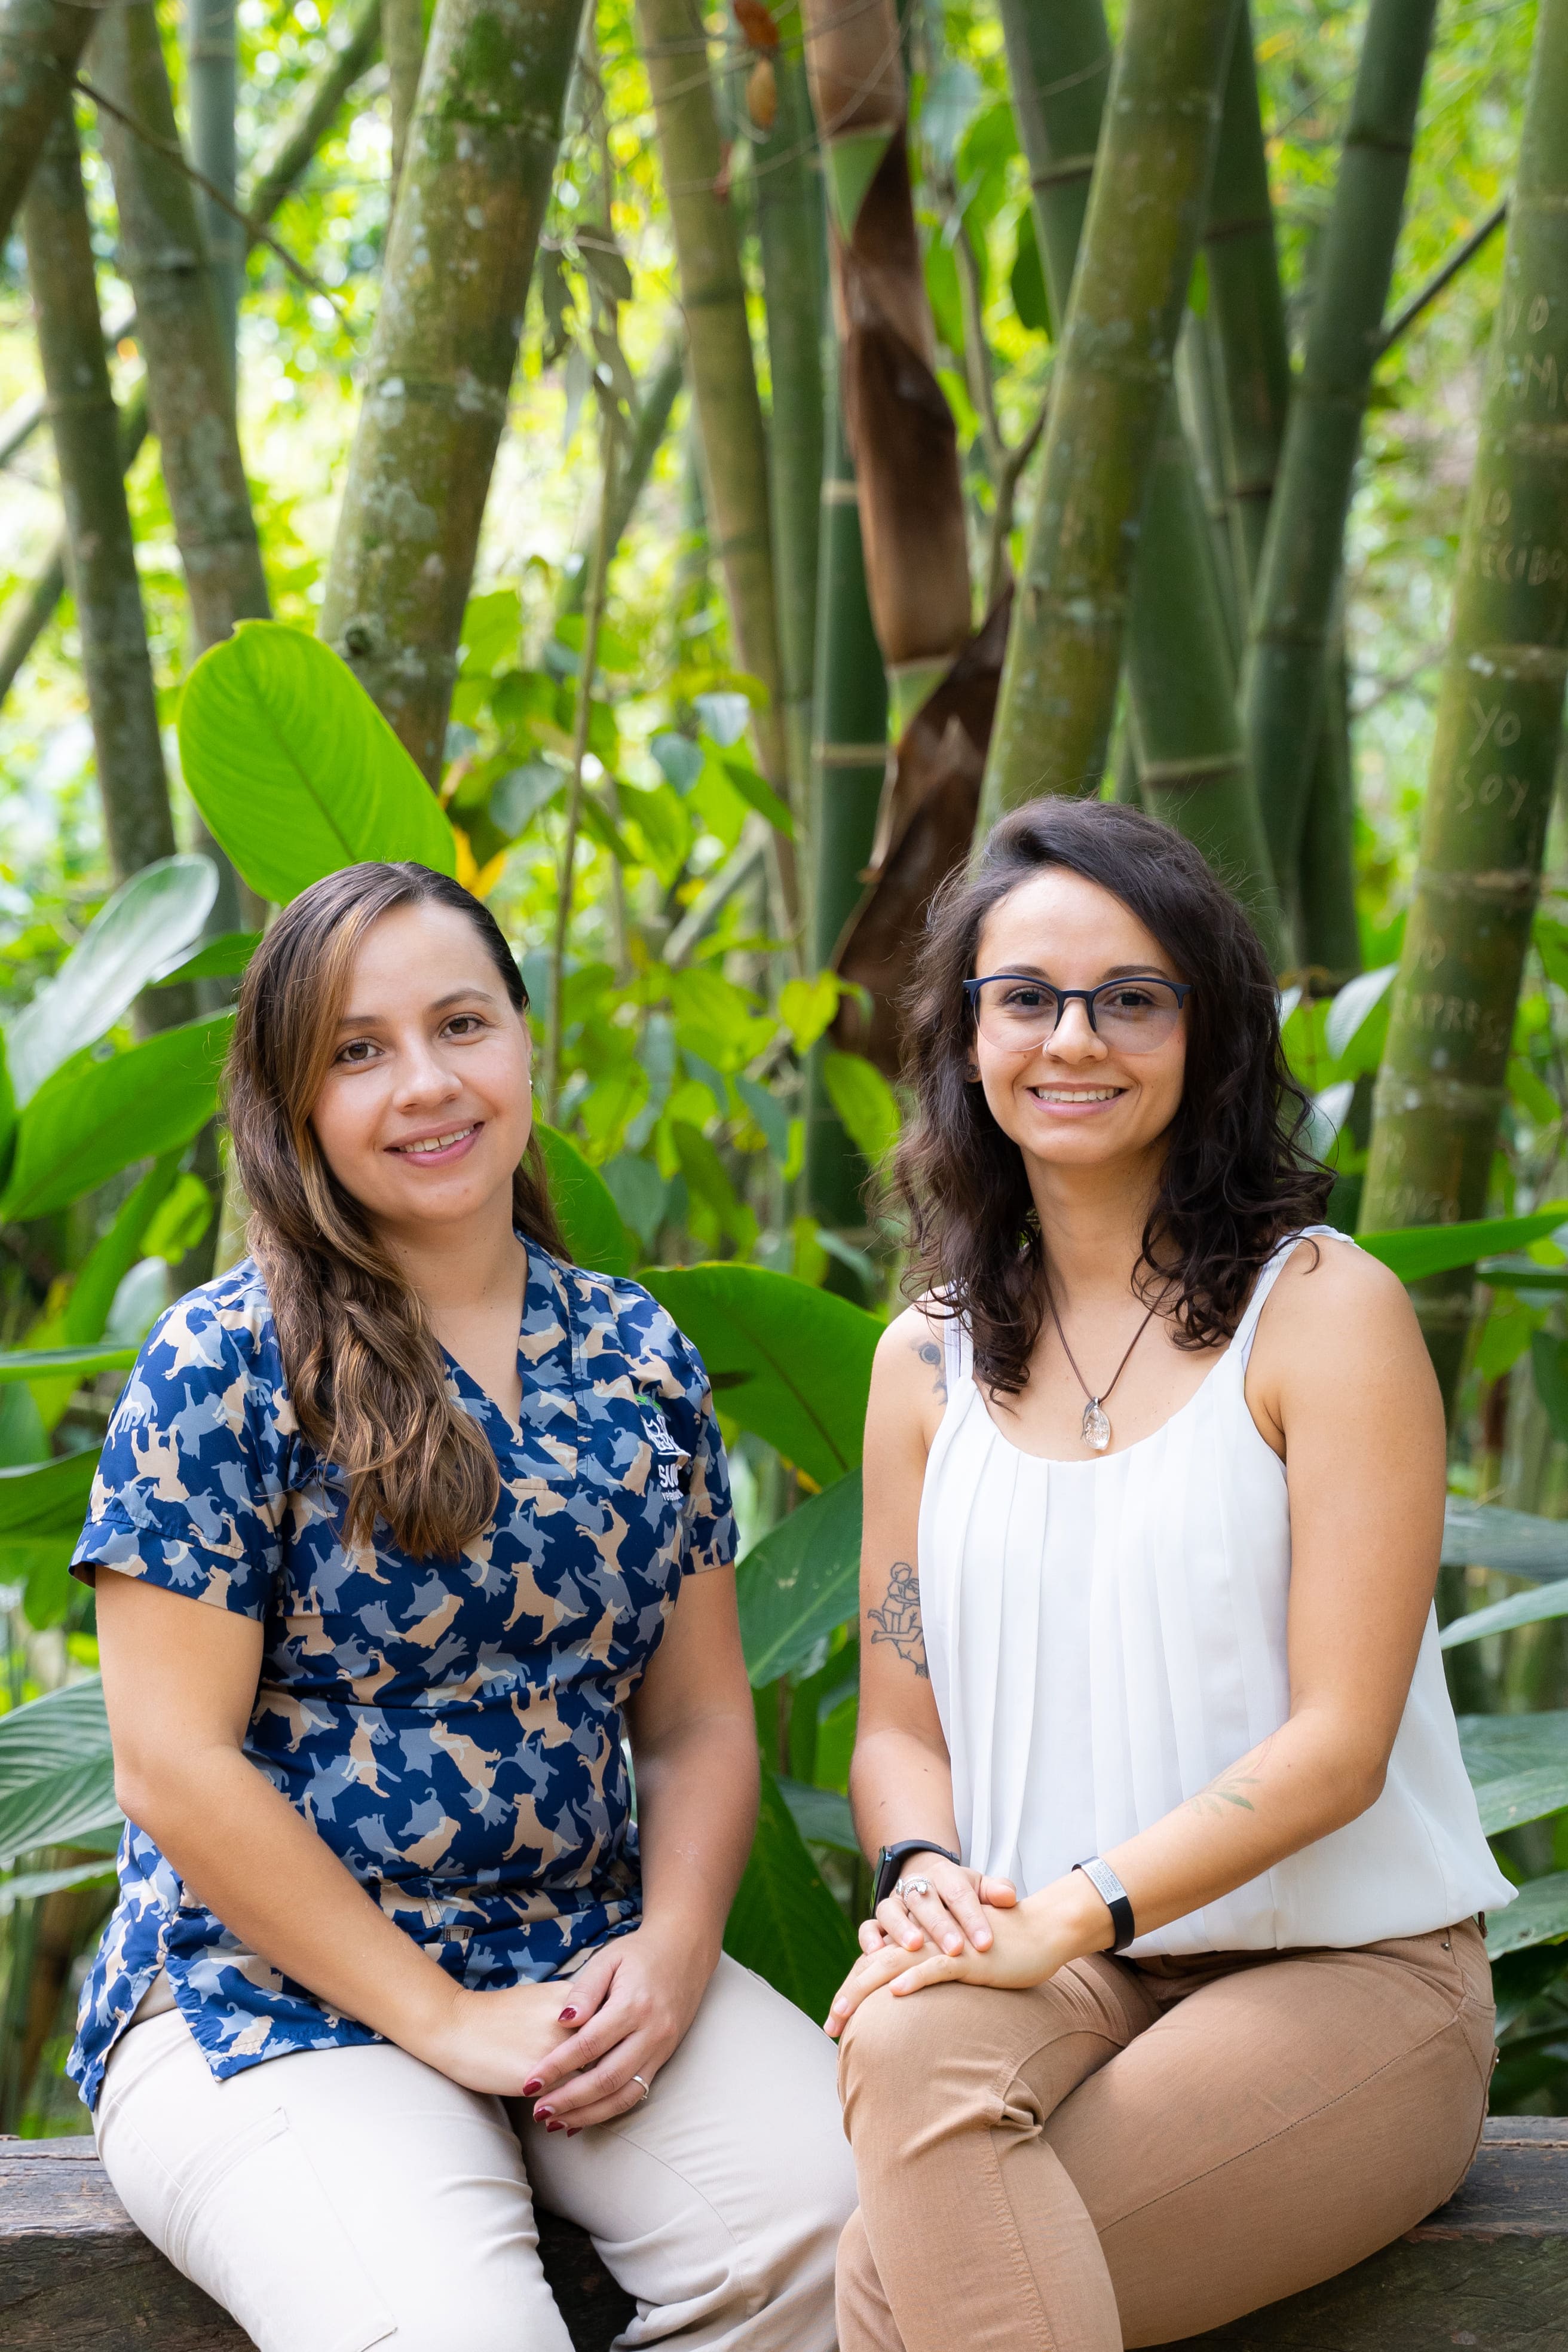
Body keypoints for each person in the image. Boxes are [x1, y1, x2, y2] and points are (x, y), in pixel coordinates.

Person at [68, 860, 854, 2352]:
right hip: (263, 1996)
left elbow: (692, 1724)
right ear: (290, 1102)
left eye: (461, 1024)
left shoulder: (635, 1353)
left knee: (861, 2235)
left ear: (523, 1039)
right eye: (357, 1051)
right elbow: (172, 1763)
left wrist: (675, 1955)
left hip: (580, 1960)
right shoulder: (222, 1363)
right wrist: (437, 2020)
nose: (425, 1083)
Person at [826, 800, 1508, 2352]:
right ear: (968, 1036)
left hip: (1349, 1977)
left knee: (887, 2288)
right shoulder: (922, 1362)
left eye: (1131, 997)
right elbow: (898, 1727)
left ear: (1210, 1033)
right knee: (910, 2042)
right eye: (1027, 1000)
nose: (1074, 1039)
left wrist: (1068, 1916)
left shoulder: (1323, 1314)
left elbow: (1337, 1748)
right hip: (1051, 1967)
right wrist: (926, 1882)